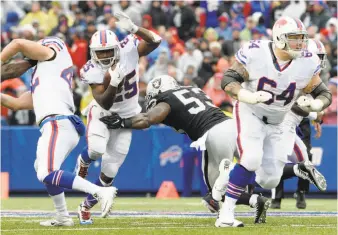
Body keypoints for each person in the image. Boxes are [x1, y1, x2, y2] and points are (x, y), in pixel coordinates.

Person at [99, 74, 272, 224]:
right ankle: (257, 196)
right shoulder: (194, 90)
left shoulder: (166, 99)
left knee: (215, 193)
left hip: (215, 133)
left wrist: (123, 122)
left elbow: (148, 119)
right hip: (232, 126)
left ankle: (253, 202)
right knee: (246, 167)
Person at [219, 16, 331, 227]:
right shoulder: (256, 51)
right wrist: (247, 96)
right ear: (280, 38)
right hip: (250, 111)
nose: (301, 43)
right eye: (295, 38)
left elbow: (323, 92)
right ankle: (226, 214)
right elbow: (229, 79)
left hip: (279, 120)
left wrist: (316, 106)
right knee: (251, 158)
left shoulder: (308, 61)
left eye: (302, 38)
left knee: (269, 179)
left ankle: (230, 174)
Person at [0, 36, 117, 226]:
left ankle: (100, 191)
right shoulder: (47, 78)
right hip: (58, 124)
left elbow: (18, 44)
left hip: (57, 122)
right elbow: (15, 104)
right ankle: (63, 216)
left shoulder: (52, 53)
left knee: (45, 172)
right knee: (42, 168)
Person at [75, 11, 161, 225]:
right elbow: (103, 101)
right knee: (96, 149)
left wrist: (135, 29)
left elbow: (156, 41)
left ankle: (85, 206)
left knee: (110, 172)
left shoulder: (128, 48)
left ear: (116, 49)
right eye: (100, 53)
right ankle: (84, 159)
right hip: (103, 112)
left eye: (107, 52)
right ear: (93, 53)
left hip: (128, 114)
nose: (104, 57)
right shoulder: (91, 69)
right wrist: (113, 83)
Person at [271, 38, 328, 209]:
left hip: (300, 119)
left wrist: (317, 114)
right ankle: (276, 196)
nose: (319, 60)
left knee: (306, 156)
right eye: (316, 56)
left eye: (320, 56)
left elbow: (317, 99)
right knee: (277, 157)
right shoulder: (292, 71)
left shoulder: (313, 74)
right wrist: (315, 115)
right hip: (282, 118)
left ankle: (301, 193)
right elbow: (293, 104)